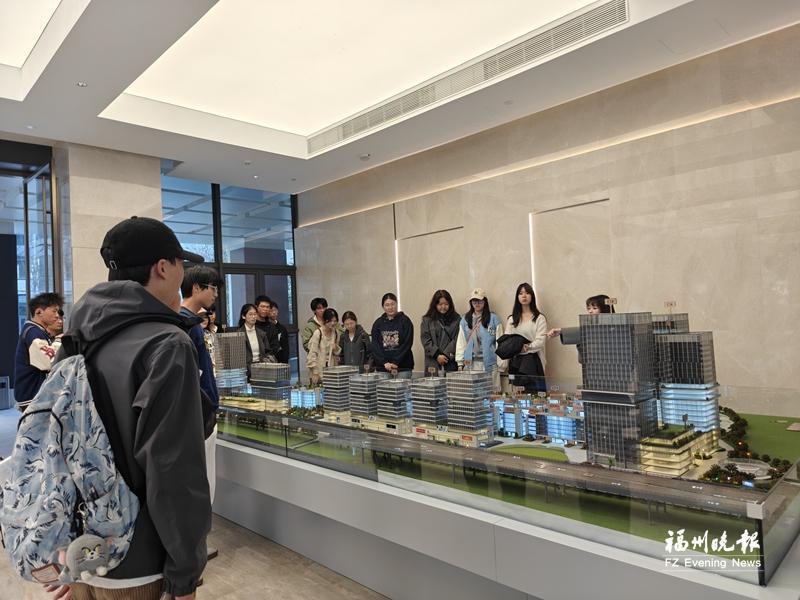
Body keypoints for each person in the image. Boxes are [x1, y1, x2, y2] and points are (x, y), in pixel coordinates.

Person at [50, 215, 210, 600]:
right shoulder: (167, 344)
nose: (182, 276)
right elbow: (174, 470)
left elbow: (56, 441)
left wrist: (64, 553)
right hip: (139, 564)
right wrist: (185, 576)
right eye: (181, 265)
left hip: (82, 555)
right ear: (163, 267)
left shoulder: (78, 337)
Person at [180, 266, 221, 507]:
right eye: (213, 288)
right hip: (199, 414)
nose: (216, 294)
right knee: (204, 481)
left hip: (201, 411)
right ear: (196, 288)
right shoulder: (187, 323)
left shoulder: (190, 321)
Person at [13, 292, 64, 412]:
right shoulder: (33, 332)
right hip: (32, 395)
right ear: (39, 312)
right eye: (54, 311)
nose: (57, 316)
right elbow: (48, 361)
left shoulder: (36, 331)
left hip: (34, 394)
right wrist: (59, 340)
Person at [504, 283, 548, 393]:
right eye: (521, 293)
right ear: (517, 297)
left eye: (527, 293)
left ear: (532, 296)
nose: (524, 296)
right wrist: (517, 348)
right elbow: (507, 340)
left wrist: (527, 347)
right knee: (518, 396)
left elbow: (541, 341)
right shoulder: (512, 319)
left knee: (535, 395)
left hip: (534, 361)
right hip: (516, 362)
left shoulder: (539, 318)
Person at [456, 288, 503, 390]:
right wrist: (460, 363)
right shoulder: (465, 319)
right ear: (471, 302)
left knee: (492, 392)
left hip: (490, 363)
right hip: (471, 364)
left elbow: (500, 342)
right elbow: (461, 342)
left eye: (480, 301)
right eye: (474, 301)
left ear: (485, 301)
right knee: (473, 393)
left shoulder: (493, 318)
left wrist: (501, 364)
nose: (477, 304)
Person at [370, 293, 414, 377]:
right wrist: (384, 362)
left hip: (403, 367)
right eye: (387, 305)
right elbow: (375, 345)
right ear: (383, 307)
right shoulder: (378, 323)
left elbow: (407, 343)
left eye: (392, 304)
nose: (390, 307)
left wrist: (395, 361)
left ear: (397, 304)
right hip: (383, 368)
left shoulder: (405, 321)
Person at [420, 290, 460, 375]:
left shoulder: (457, 319)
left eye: (446, 304)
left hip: (450, 362)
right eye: (440, 304)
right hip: (432, 362)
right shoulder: (427, 320)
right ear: (435, 305)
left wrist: (445, 355)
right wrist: (437, 355)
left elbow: (457, 339)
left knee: (451, 383)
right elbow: (425, 340)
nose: (443, 307)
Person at [546, 293, 615, 342]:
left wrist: (561, 331)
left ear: (604, 309)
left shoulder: (614, 324)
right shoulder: (589, 323)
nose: (590, 311)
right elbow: (582, 331)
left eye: (594, 308)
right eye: (589, 308)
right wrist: (561, 331)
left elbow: (584, 332)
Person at [307, 308, 342, 385]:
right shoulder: (318, 333)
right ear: (324, 321)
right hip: (318, 372)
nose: (333, 323)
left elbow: (337, 353)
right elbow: (312, 353)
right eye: (330, 321)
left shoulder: (336, 333)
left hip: (332, 371)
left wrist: (336, 348)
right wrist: (315, 372)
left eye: (335, 321)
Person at [238, 303, 271, 379]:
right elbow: (238, 357)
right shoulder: (238, 334)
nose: (253, 317)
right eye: (250, 314)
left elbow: (267, 351)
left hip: (262, 369)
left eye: (255, 314)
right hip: (246, 372)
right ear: (243, 316)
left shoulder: (261, 333)